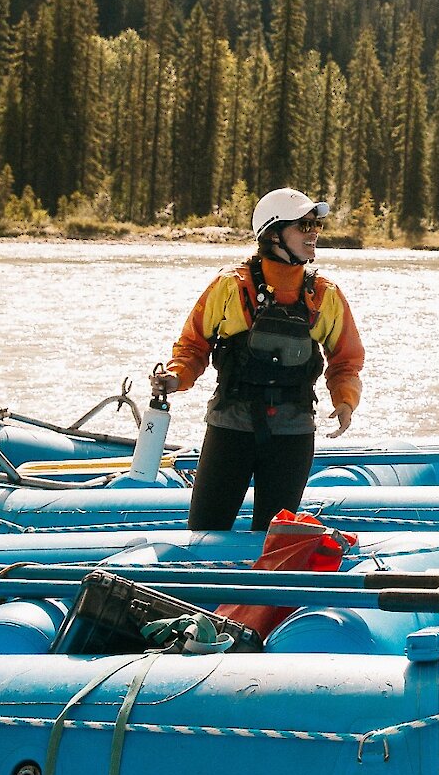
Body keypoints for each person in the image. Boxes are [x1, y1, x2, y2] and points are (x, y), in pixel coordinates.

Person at [152, 187, 365, 531]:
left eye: (316, 225)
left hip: (292, 432)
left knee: (274, 535)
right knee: (205, 528)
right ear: (273, 233)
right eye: (304, 225)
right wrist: (176, 378)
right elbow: (193, 346)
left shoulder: (324, 293)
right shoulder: (229, 285)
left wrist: (344, 401)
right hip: (230, 426)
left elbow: (346, 360)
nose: (314, 233)